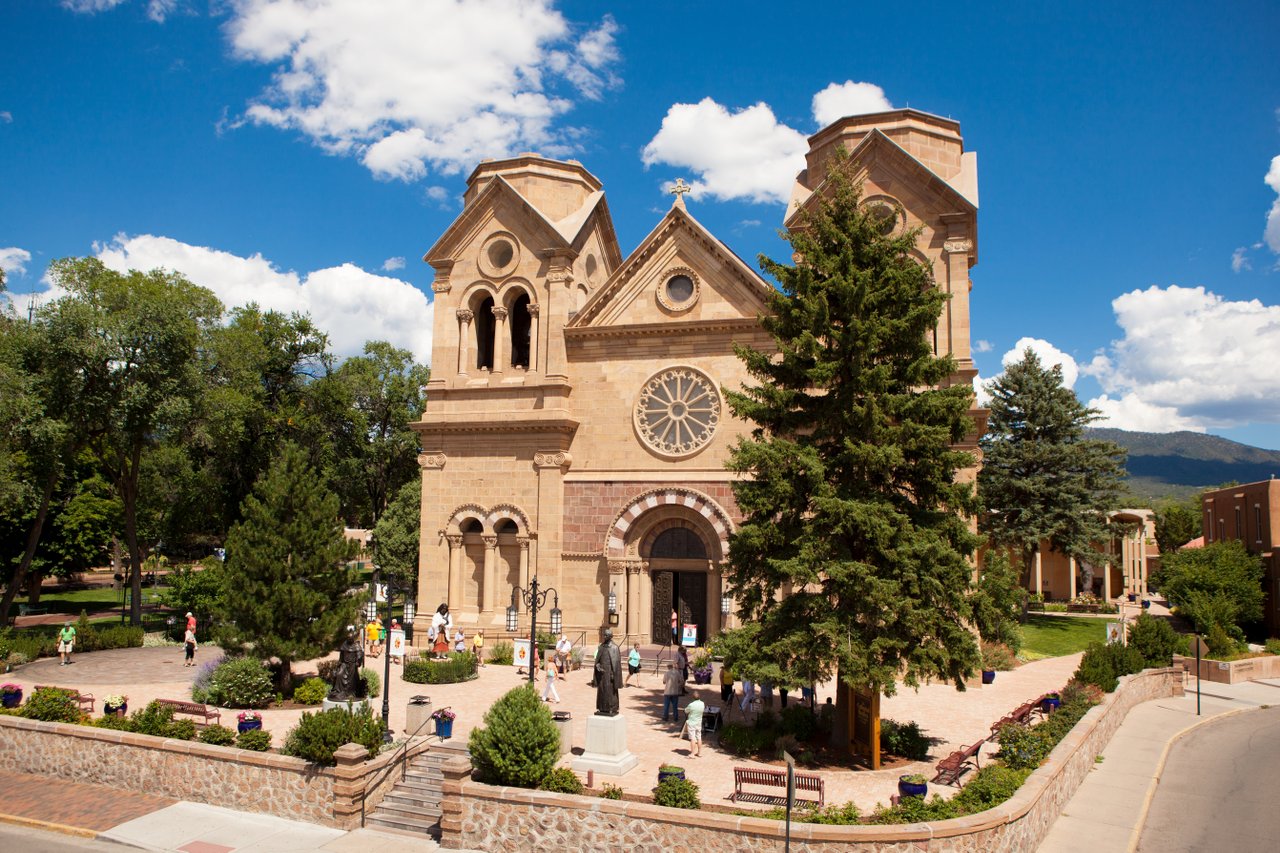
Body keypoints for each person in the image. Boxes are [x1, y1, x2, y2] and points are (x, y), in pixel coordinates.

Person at [591, 629, 621, 715]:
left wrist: (613, 674)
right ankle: (602, 707)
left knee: (610, 691)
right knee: (602, 690)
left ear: (610, 636)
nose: (604, 637)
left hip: (610, 674)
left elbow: (616, 664)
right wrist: (597, 666)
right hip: (602, 674)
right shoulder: (601, 647)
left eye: (606, 635)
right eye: (604, 635)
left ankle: (612, 707)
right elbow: (598, 660)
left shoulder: (615, 648)